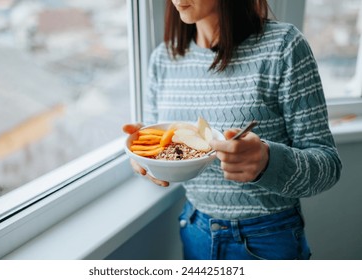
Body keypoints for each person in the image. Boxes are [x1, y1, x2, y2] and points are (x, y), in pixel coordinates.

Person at [123, 0, 342, 260]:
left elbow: (328, 165)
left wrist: (268, 162)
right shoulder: (163, 58)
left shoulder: (284, 46)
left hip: (267, 238)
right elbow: (154, 142)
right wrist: (142, 155)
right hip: (195, 230)